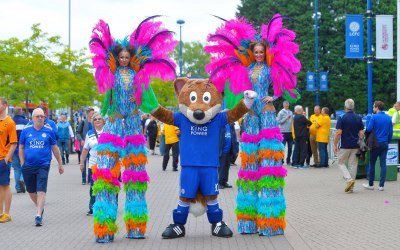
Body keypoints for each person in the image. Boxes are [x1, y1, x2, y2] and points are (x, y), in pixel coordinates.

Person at [89, 17, 176, 242]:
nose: (125, 59)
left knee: (136, 178)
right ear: (117, 58)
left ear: (132, 58)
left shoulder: (139, 76)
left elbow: (149, 102)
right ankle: (104, 229)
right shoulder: (111, 74)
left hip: (133, 130)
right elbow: (105, 95)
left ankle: (136, 227)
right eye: (122, 57)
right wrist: (111, 111)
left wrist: (169, 115)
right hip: (114, 128)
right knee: (106, 177)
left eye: (128, 57)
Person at [19, 108, 64, 226]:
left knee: (41, 190)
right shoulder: (26, 130)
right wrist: (22, 163)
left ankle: (38, 215)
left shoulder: (49, 131)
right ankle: (40, 206)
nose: (40, 118)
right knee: (31, 190)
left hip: (43, 165)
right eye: (38, 116)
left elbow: (55, 148)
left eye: (42, 116)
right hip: (28, 165)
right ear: (33, 118)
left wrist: (60, 163)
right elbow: (21, 147)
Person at [333, 99, 364, 193]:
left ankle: (348, 179)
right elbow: (361, 132)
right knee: (353, 165)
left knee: (340, 162)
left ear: (345, 106)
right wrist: (361, 142)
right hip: (356, 145)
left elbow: (339, 132)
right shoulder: (358, 117)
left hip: (345, 145)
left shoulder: (342, 117)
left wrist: (335, 144)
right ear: (353, 107)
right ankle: (351, 186)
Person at [363, 101, 393, 191]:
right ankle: (381, 186)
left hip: (375, 144)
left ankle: (371, 185)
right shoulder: (388, 118)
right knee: (383, 164)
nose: (373, 108)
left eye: (373, 107)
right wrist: (387, 141)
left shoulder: (374, 117)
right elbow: (390, 132)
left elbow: (368, 129)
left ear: (377, 108)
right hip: (384, 143)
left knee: (372, 163)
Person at [79, 112, 104, 216]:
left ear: (103, 121)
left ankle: (107, 206)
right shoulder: (89, 133)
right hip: (93, 165)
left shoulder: (108, 132)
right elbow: (85, 149)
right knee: (93, 187)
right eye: (95, 119)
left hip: (106, 165)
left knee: (106, 187)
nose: (97, 121)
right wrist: (81, 163)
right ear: (93, 122)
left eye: (99, 119)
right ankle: (92, 207)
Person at [0, 97, 18, 223]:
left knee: (4, 186)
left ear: (5, 105)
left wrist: (7, 159)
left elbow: (13, 143)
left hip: (3, 159)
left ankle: (6, 213)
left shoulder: (10, 122)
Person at [12, 107, 29, 193]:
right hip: (24, 148)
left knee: (16, 169)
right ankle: (22, 179)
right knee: (25, 166)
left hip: (13, 149)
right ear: (21, 112)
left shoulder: (11, 122)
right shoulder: (26, 122)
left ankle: (18, 188)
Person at [76, 107, 94, 185]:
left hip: (93, 147)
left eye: (94, 113)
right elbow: (77, 132)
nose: (93, 114)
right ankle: (83, 178)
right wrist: (81, 140)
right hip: (84, 146)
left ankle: (90, 178)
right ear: (88, 113)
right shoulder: (83, 122)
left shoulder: (95, 122)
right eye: (92, 113)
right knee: (83, 162)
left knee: (92, 162)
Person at [218, 123, 237, 189]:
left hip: (229, 151)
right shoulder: (221, 125)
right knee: (221, 168)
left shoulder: (231, 126)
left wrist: (236, 149)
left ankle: (224, 182)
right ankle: (219, 183)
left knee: (227, 167)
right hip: (222, 151)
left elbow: (234, 137)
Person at [277, 101, 293, 165]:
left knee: (290, 147)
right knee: (282, 147)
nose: (287, 106)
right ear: (283, 105)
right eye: (285, 105)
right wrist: (285, 119)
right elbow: (279, 122)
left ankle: (288, 160)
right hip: (283, 132)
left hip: (290, 132)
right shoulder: (280, 112)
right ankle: (281, 160)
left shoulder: (291, 112)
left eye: (288, 104)